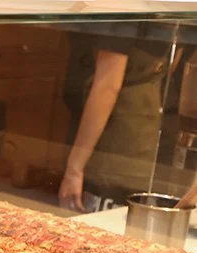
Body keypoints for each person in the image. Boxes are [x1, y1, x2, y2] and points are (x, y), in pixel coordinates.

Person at [59, 24, 171, 213]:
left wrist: (74, 168)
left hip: (114, 139)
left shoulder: (120, 7)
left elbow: (107, 84)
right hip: (139, 127)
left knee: (92, 230)